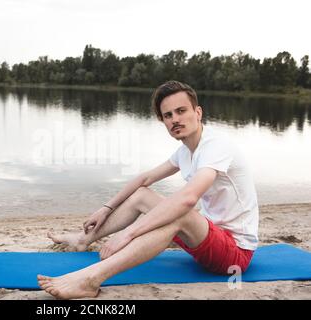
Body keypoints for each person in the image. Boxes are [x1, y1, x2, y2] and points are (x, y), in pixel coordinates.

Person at [37, 80, 259, 299]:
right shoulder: (185, 151)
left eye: (181, 111)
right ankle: (82, 240)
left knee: (178, 213)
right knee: (142, 196)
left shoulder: (216, 145)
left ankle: (90, 280)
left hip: (235, 254)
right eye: (168, 115)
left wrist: (128, 234)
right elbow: (145, 179)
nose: (175, 120)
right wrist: (106, 208)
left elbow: (189, 199)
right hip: (207, 238)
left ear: (198, 112)